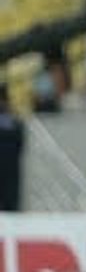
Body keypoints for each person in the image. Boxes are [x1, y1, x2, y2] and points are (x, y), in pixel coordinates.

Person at [0, 83, 25, 211]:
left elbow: (20, 146)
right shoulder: (15, 123)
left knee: (10, 205)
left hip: (10, 171)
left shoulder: (15, 123)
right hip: (10, 169)